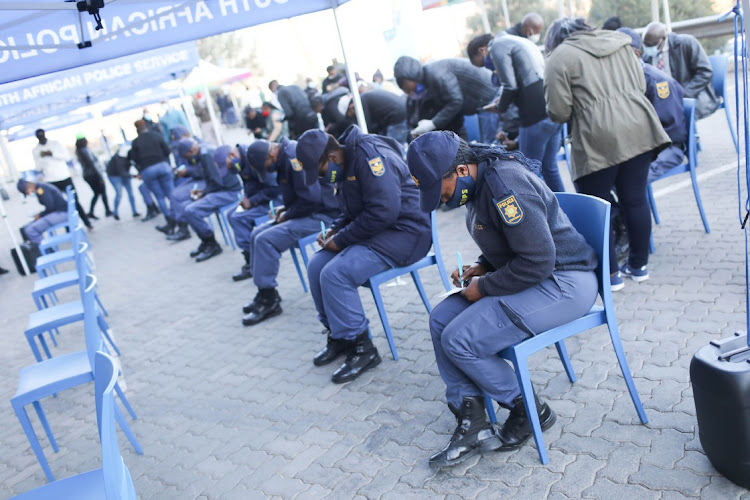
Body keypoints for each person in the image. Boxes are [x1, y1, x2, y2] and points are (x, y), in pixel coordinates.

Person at [406, 131, 598, 468]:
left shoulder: (505, 186)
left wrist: (484, 287)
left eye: (442, 188)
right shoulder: (481, 184)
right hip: (535, 274)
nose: (442, 198)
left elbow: (538, 260)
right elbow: (513, 244)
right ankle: (472, 420)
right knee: (441, 319)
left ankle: (529, 411)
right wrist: (482, 265)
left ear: (461, 170)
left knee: (460, 338)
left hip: (565, 282)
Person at [298, 126, 431, 383]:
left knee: (336, 273)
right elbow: (353, 209)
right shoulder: (347, 162)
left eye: (322, 171)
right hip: (379, 231)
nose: (324, 178)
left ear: (332, 158)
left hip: (406, 234)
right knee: (317, 265)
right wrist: (335, 229)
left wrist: (342, 239)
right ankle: (339, 335)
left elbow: (384, 211)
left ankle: (362, 348)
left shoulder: (370, 157)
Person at [544, 18, 670, 290]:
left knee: (597, 207)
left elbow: (558, 111)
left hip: (595, 137)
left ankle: (611, 276)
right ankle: (639, 267)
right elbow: (639, 82)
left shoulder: (559, 57)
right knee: (635, 200)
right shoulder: (622, 43)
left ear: (554, 39)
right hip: (638, 126)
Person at [240, 138, 339, 326]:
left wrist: (288, 214)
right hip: (307, 212)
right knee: (256, 233)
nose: (267, 170)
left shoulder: (294, 158)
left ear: (271, 154)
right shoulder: (283, 157)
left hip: (323, 216)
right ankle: (264, 292)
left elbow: (311, 199)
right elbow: (299, 195)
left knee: (265, 240)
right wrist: (284, 209)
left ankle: (270, 301)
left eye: (266, 165)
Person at [482, 31, 565, 192]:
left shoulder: (497, 46)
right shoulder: (518, 40)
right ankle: (565, 211)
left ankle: (537, 215)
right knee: (550, 168)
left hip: (533, 113)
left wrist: (499, 108)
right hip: (551, 107)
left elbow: (510, 86)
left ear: (482, 50)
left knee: (528, 172)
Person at [618, 27, 687, 182]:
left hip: (667, 148)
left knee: (631, 180)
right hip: (639, 146)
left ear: (636, 54)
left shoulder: (657, 82)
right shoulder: (622, 80)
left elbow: (670, 130)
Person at [393, 56, 496, 140]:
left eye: (408, 90)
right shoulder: (429, 78)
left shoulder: (436, 75)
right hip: (483, 102)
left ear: (409, 79)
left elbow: (456, 101)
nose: (411, 94)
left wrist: (433, 123)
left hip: (489, 98)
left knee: (491, 145)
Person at [228, 144, 283, 282]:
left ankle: (251, 262)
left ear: (234, 154)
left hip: (274, 202)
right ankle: (250, 257)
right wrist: (247, 199)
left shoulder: (257, 158)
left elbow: (274, 189)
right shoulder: (241, 163)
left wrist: (252, 201)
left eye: (232, 156)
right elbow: (250, 185)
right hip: (260, 200)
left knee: (238, 219)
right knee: (230, 214)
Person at [642, 22, 720, 120]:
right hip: (663, 99)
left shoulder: (686, 43)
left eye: (651, 45)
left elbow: (705, 73)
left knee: (675, 117)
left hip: (692, 95)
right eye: (645, 45)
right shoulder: (647, 57)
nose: (648, 48)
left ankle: (688, 135)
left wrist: (683, 94)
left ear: (663, 39)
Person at [179, 143, 242, 262]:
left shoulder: (206, 155)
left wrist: (203, 194)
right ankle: (205, 241)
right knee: (184, 206)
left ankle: (212, 244)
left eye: (188, 153)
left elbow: (216, 182)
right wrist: (203, 192)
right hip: (221, 191)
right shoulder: (203, 152)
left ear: (192, 149)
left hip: (229, 192)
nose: (189, 157)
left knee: (191, 210)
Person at [467, 34, 521, 150]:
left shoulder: (514, 83)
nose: (488, 68)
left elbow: (529, 119)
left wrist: (517, 142)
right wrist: (500, 131)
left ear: (483, 50)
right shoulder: (503, 86)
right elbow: (503, 117)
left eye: (483, 63)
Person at [32, 129, 92, 229]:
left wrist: (51, 154)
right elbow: (38, 167)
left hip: (64, 177)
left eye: (42, 136)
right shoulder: (35, 150)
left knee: (75, 201)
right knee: (59, 205)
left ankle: (87, 223)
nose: (41, 138)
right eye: (39, 137)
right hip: (50, 180)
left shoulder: (56, 144)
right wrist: (42, 158)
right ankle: (69, 229)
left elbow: (67, 157)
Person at [128, 119, 175, 232]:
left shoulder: (135, 142)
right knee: (171, 194)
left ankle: (170, 221)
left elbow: (134, 159)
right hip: (162, 165)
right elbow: (167, 150)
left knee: (159, 197)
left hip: (148, 170)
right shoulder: (156, 135)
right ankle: (179, 217)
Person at [165, 129, 207, 241]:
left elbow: (205, 172)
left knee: (183, 202)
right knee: (175, 194)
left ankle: (183, 228)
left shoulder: (203, 152)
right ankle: (174, 224)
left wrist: (187, 171)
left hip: (207, 183)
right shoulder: (194, 151)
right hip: (198, 179)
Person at [337, 89, 408, 142]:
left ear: (351, 107)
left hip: (397, 116)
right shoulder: (364, 97)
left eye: (349, 115)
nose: (351, 117)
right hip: (400, 111)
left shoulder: (360, 104)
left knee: (395, 149)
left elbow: (366, 128)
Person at [16, 179, 68, 244]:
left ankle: (46, 250)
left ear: (28, 188)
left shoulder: (41, 189)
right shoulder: (40, 187)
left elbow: (50, 207)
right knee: (26, 227)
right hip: (60, 212)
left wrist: (40, 215)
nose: (29, 194)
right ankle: (42, 248)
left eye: (27, 192)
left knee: (30, 230)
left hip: (61, 213)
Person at [75, 136, 112, 219]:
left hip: (88, 175)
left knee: (98, 193)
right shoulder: (84, 152)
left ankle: (94, 211)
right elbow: (92, 165)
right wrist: (100, 177)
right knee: (101, 192)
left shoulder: (81, 152)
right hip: (93, 175)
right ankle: (106, 210)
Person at [106, 144, 140, 221]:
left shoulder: (129, 156)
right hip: (114, 175)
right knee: (119, 194)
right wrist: (135, 176)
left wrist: (139, 173)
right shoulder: (119, 158)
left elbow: (135, 164)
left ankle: (134, 212)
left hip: (124, 174)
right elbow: (122, 173)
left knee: (130, 193)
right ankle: (115, 212)